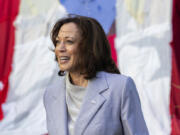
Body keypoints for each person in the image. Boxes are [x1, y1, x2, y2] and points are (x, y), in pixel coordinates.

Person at [43, 15, 149, 135]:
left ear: (89, 47)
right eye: (58, 41)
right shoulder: (50, 94)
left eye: (69, 41)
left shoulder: (121, 87)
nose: (60, 48)